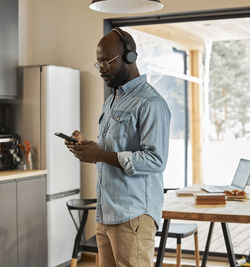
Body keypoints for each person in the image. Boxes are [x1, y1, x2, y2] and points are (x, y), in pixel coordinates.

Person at [66, 27, 171, 267]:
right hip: (107, 212)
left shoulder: (150, 102)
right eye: (98, 63)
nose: (101, 69)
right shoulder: (112, 100)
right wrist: (90, 148)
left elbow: (156, 160)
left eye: (106, 62)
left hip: (133, 215)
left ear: (129, 57)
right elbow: (112, 150)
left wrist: (101, 154)